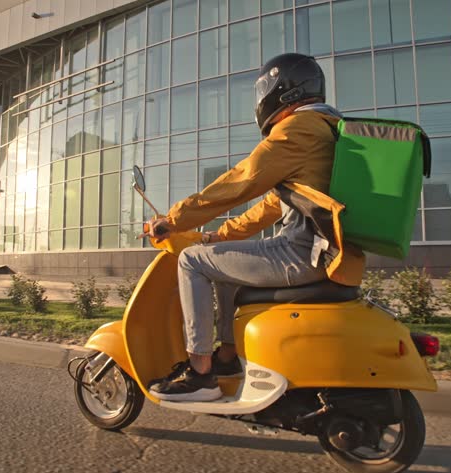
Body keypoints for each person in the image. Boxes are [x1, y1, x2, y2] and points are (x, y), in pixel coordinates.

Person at [144, 53, 361, 402]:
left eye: (265, 88)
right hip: (322, 253)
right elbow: (270, 207)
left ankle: (200, 373)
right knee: (217, 259)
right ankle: (227, 358)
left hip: (299, 253)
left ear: (283, 91)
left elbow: (242, 180)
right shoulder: (327, 131)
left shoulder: (297, 129)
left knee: (191, 261)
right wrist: (219, 237)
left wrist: (175, 219)